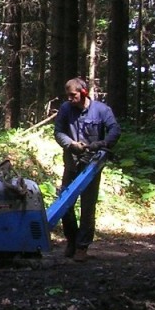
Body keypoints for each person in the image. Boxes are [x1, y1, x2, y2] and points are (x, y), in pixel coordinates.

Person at [53, 78, 121, 262]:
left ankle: (82, 247)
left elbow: (115, 129)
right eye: (67, 95)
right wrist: (71, 144)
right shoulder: (66, 109)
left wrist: (102, 143)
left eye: (73, 95)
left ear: (83, 93)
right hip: (71, 164)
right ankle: (72, 241)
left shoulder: (101, 110)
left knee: (88, 207)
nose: (70, 99)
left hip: (91, 166)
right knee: (65, 203)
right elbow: (58, 131)